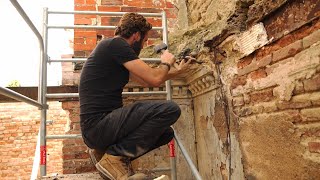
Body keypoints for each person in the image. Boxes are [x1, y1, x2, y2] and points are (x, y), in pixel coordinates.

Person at [79, 12, 191, 180]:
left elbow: (146, 81)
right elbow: (154, 79)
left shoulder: (114, 51)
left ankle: (107, 155)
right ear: (136, 36)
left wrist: (177, 72)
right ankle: (113, 159)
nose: (144, 45)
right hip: (98, 125)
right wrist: (166, 62)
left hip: (103, 128)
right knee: (170, 110)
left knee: (165, 133)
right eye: (145, 40)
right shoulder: (116, 45)